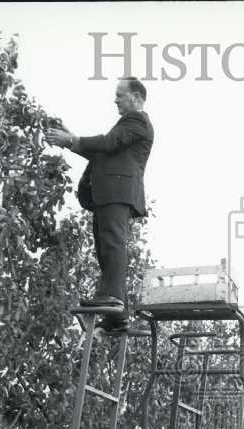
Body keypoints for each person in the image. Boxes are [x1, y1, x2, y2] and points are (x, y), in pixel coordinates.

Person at [46, 77, 154, 332]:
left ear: (137, 98)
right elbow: (103, 150)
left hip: (118, 192)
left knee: (113, 244)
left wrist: (71, 140)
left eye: (120, 94)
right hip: (108, 194)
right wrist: (71, 139)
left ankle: (113, 299)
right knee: (106, 248)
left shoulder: (137, 121)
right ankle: (117, 316)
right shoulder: (126, 127)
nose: (115, 99)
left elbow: (106, 143)